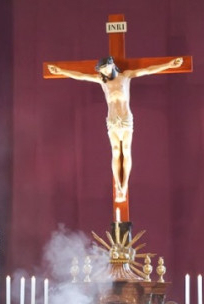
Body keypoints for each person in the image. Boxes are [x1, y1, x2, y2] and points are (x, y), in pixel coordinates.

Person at [48, 56, 183, 203]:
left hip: (125, 119)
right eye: (101, 70)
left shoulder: (126, 76)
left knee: (126, 150)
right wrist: (61, 71)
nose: (103, 72)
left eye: (104, 68)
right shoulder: (102, 81)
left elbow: (148, 70)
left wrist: (169, 65)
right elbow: (81, 76)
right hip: (112, 120)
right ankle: (118, 185)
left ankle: (124, 186)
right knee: (116, 151)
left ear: (111, 65)